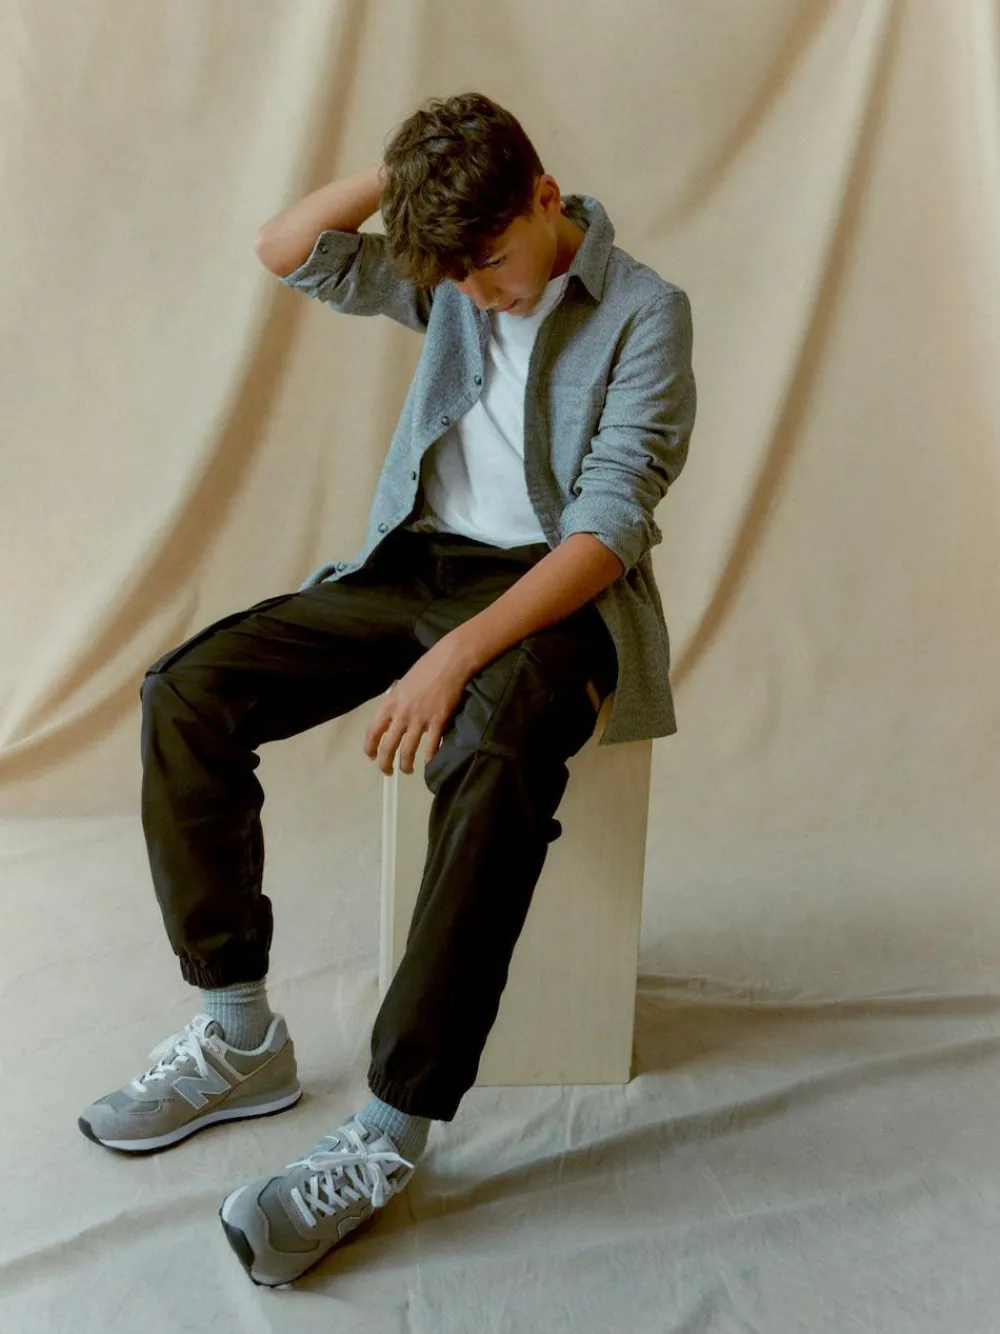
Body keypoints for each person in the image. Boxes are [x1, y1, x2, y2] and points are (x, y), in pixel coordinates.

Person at [76, 91, 696, 1287]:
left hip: (558, 598)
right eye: (453, 274)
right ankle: (239, 1034)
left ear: (545, 196)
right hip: (415, 567)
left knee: (491, 754)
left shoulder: (644, 311)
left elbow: (610, 526)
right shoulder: (455, 273)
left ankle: (391, 1126)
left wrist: (454, 658)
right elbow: (287, 249)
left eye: (493, 260)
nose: (479, 293)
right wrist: (412, 170)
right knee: (186, 692)